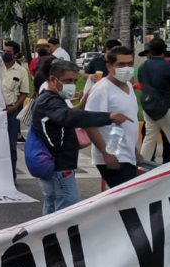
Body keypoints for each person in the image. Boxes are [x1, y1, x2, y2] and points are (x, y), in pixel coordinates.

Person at [32, 61, 127, 214]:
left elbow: (63, 119)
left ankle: (49, 238)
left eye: (75, 81)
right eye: (68, 81)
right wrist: (108, 117)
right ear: (53, 80)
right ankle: (59, 238)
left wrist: (81, 105)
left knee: (51, 207)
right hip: (59, 167)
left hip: (52, 165)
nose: (73, 85)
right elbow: (68, 117)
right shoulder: (49, 101)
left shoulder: (49, 99)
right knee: (66, 211)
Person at [83, 46, 141, 188]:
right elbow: (89, 122)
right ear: (109, 66)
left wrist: (135, 151)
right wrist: (106, 153)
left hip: (128, 155)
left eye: (129, 64)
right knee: (127, 202)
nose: (126, 68)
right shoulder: (102, 89)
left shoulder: (129, 86)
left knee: (127, 202)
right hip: (113, 156)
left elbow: (127, 123)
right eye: (121, 64)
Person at [138, 38, 170, 161]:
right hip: (166, 107)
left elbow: (142, 83)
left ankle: (142, 165)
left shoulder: (142, 67)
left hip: (148, 107)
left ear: (150, 51)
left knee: (149, 138)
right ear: (164, 50)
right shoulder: (169, 67)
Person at [0, 42, 31, 178]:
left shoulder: (21, 71)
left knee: (11, 145)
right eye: (4, 51)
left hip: (11, 112)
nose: (5, 54)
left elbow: (24, 92)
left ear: (16, 54)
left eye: (9, 52)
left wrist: (15, 107)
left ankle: (11, 176)